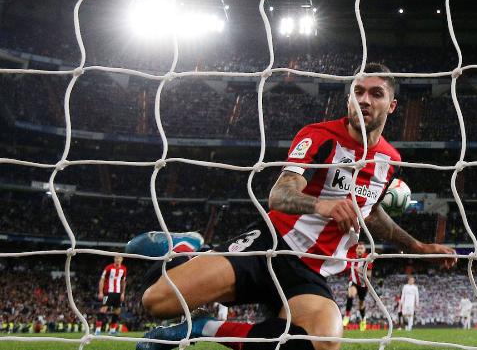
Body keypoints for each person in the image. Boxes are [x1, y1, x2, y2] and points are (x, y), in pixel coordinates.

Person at [128, 63, 457, 350]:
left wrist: (419, 246)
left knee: (323, 342)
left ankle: (204, 327)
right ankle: (188, 247)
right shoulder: (320, 136)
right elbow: (280, 194)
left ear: (392, 105)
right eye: (357, 91)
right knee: (156, 303)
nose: (364, 100)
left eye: (375, 94)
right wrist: (322, 205)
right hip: (270, 247)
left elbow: (370, 211)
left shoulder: (390, 160)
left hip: (311, 271)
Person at [342, 242, 373, 331]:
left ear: (364, 250)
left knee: (361, 304)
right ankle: (347, 316)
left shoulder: (367, 259)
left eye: (361, 248)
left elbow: (369, 274)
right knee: (351, 294)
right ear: (356, 249)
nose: (359, 250)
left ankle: (363, 320)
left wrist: (359, 271)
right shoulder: (352, 256)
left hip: (363, 285)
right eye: (358, 248)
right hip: (354, 282)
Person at [96, 256, 127, 335]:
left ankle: (112, 330)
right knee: (103, 309)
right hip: (107, 292)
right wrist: (100, 292)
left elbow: (123, 281)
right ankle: (98, 330)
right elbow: (102, 280)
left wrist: (123, 293)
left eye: (119, 258)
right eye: (116, 258)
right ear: (114, 259)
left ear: (122, 259)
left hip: (117, 293)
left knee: (117, 311)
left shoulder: (123, 269)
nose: (117, 260)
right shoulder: (108, 268)